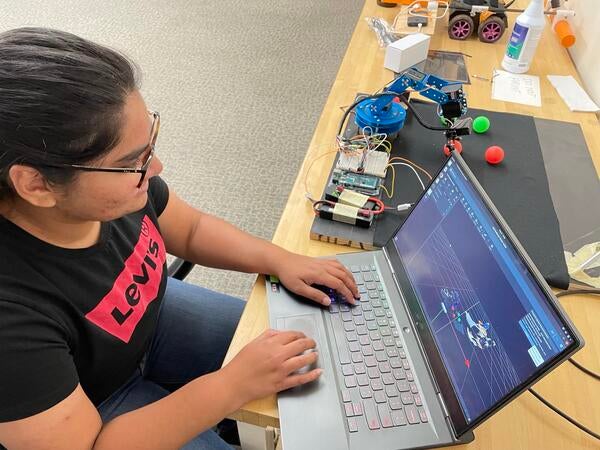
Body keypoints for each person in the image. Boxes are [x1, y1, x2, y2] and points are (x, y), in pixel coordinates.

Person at [0, 27, 358, 449]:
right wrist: (228, 387)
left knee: (326, 354)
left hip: (146, 321)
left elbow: (190, 228)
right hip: (94, 412)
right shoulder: (11, 321)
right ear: (36, 185)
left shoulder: (117, 191)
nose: (155, 169)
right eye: (133, 161)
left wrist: (279, 259)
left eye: (148, 145)